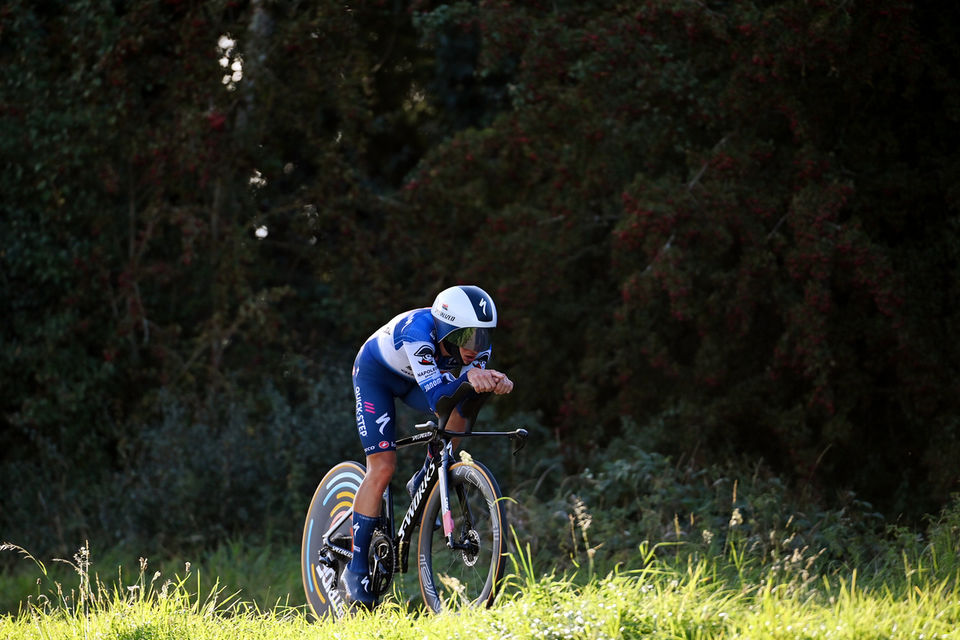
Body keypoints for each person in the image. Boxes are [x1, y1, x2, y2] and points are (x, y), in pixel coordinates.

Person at [339, 285, 515, 606]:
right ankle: (356, 565)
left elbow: (461, 401)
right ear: (447, 330)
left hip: (417, 381)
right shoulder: (418, 333)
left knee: (466, 403)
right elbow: (437, 401)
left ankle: (426, 476)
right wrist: (470, 381)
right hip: (377, 374)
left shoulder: (475, 350)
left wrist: (492, 382)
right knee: (383, 466)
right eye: (466, 337)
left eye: (482, 336)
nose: (475, 348)